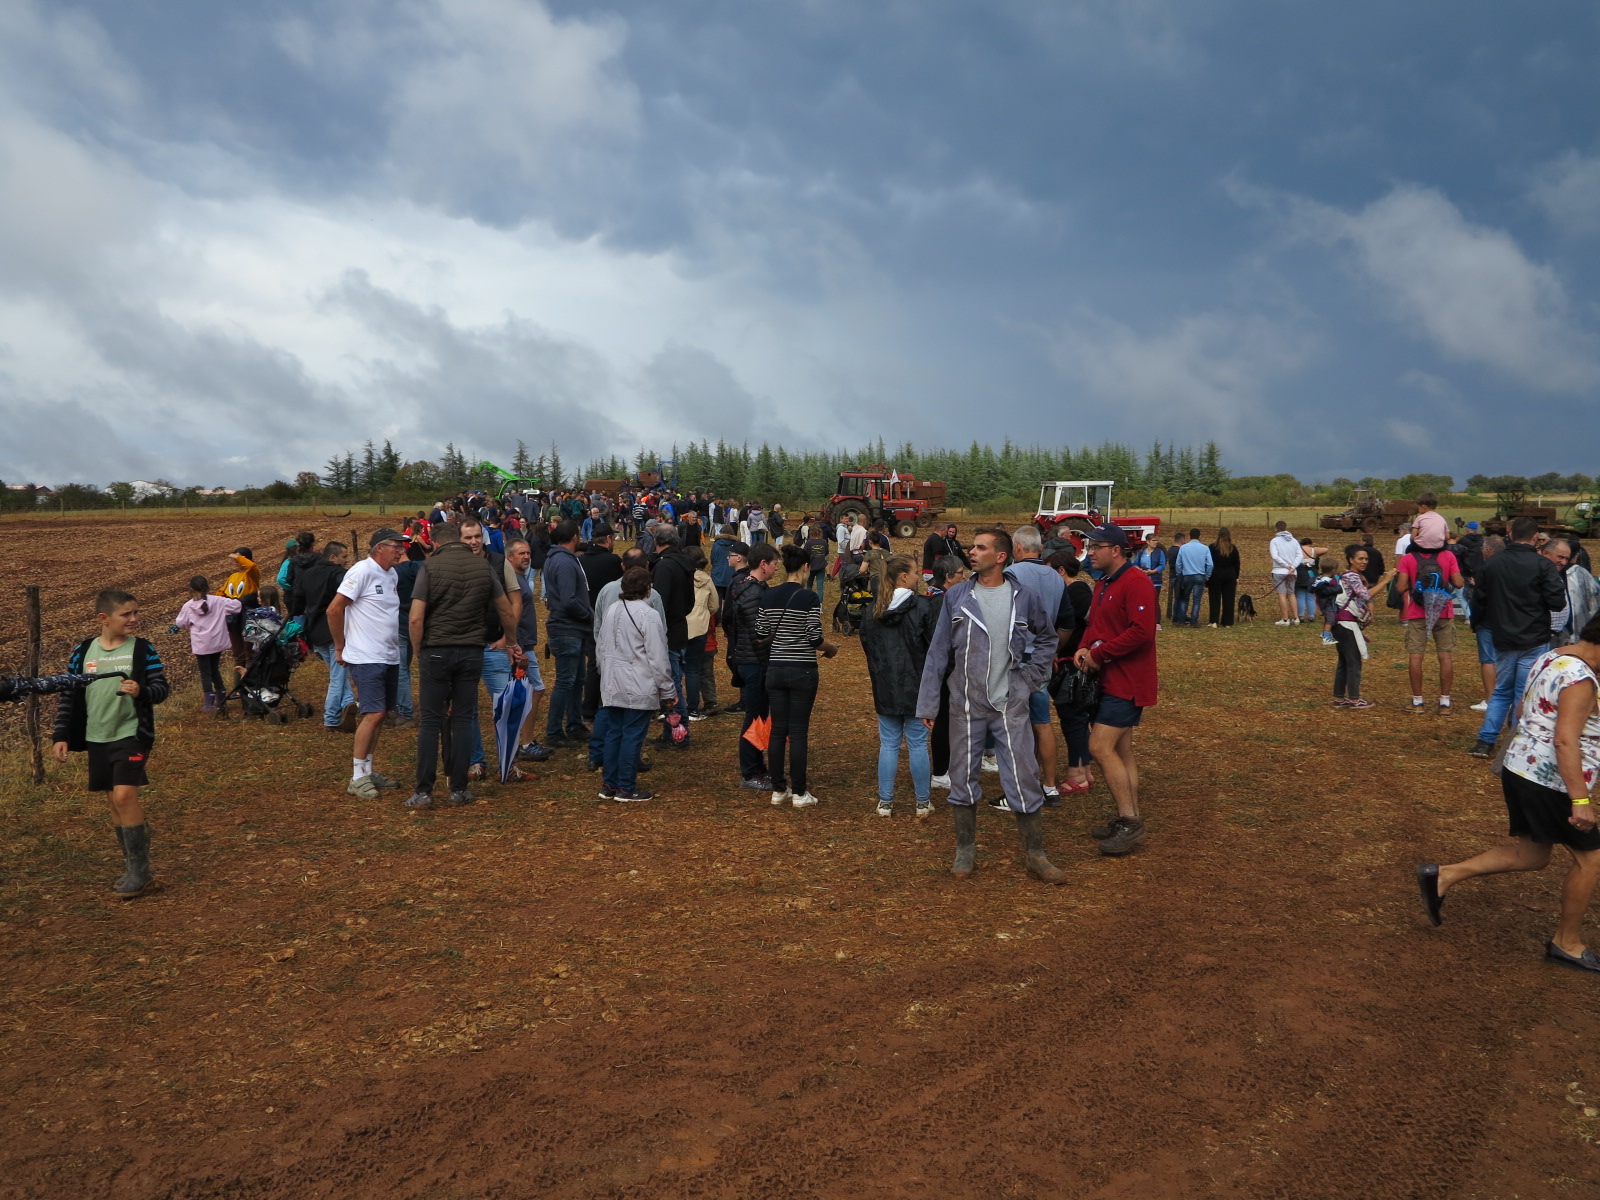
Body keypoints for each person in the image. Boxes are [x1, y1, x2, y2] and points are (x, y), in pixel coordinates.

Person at [1416, 614, 1600, 973]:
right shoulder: (1581, 680)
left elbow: (1523, 708)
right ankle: (1568, 943)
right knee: (1591, 859)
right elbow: (1564, 740)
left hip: (1521, 767)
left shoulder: (1554, 656)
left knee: (1532, 855)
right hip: (1551, 781)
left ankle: (1444, 875)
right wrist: (1580, 800)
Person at [915, 525, 1067, 884]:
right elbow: (938, 651)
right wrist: (928, 704)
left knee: (1023, 775)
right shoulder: (957, 598)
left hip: (1010, 705)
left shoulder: (1024, 597)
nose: (972, 552)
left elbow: (1046, 639)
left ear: (1001, 557)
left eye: (981, 548)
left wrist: (1029, 680)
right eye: (972, 547)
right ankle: (965, 851)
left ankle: (1036, 854)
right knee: (962, 777)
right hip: (966, 704)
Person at [52, 589, 171, 898]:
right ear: (103, 618)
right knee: (113, 802)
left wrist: (141, 691)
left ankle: (140, 872)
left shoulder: (143, 650)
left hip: (132, 733)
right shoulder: (82, 652)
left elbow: (161, 688)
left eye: (136, 613)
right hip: (96, 736)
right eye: (126, 614)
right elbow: (69, 695)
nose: (134, 619)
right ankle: (133, 865)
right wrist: (61, 734)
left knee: (123, 797)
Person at [406, 522, 522, 808]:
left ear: (434, 543)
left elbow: (416, 618)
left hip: (436, 650)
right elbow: (506, 609)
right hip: (471, 650)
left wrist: (419, 649)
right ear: (460, 540)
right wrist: (511, 641)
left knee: (431, 721)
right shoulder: (484, 567)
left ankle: (424, 791)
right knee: (462, 718)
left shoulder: (429, 568)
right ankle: (459, 789)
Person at [1074, 523, 1159, 856]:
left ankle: (1130, 822)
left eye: (1096, 547)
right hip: (1108, 679)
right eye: (1089, 547)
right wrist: (1084, 647)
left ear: (1116, 550)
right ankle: (1130, 817)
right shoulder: (1103, 584)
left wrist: (1099, 654)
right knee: (1122, 751)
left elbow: (1142, 632)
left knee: (1099, 746)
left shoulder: (1136, 582)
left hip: (1128, 681)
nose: (1090, 552)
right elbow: (1094, 624)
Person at [1470, 516, 1569, 758]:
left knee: (1502, 690)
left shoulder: (1492, 564)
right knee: (1524, 693)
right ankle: (1515, 742)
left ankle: (1486, 740)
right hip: (1534, 637)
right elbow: (1557, 602)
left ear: (1510, 533)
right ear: (1535, 537)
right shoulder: (1543, 565)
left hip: (1503, 636)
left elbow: (1479, 601)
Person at [326, 529, 409, 799]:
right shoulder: (361, 571)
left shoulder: (392, 574)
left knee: (381, 714)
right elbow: (334, 609)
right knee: (372, 714)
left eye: (401, 546)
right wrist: (341, 646)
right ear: (379, 548)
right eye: (396, 546)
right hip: (366, 656)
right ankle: (357, 776)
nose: (400, 550)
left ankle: (368, 770)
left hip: (388, 655)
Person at [756, 543, 840, 807]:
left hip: (775, 668)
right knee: (799, 731)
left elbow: (760, 634)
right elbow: (814, 637)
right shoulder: (809, 598)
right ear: (805, 568)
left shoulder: (768, 595)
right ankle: (801, 792)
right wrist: (831, 649)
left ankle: (779, 789)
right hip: (802, 669)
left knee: (778, 730)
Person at [861, 554, 936, 818]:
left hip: (886, 685)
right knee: (917, 744)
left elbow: (868, 648)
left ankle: (885, 802)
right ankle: (922, 802)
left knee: (889, 744)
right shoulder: (922, 608)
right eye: (916, 572)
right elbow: (932, 650)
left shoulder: (873, 610)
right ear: (904, 576)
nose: (919, 577)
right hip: (916, 686)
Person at [594, 567, 676, 802]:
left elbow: (601, 644)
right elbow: (658, 656)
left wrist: (605, 672)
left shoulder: (612, 609)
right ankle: (626, 788)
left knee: (614, 733)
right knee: (631, 735)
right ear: (648, 589)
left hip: (612, 682)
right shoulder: (648, 614)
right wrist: (668, 689)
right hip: (638, 684)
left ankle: (610, 783)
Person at [1008, 525, 1069, 802]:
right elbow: (1067, 621)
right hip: (1042, 661)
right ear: (1040, 548)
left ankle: (1021, 787)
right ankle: (1050, 785)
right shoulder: (1056, 578)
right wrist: (1053, 649)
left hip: (1017, 661)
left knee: (1016, 725)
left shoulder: (1011, 575)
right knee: (1042, 722)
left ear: (1017, 548)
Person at [726, 542, 779, 790]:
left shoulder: (743, 585)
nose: (777, 568)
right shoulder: (753, 592)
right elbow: (761, 630)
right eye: (774, 564)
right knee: (755, 718)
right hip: (754, 661)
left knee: (758, 716)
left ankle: (757, 767)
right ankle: (751, 772)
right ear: (763, 564)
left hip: (750, 658)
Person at [1395, 536, 1466, 714]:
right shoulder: (1448, 556)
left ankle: (1418, 701)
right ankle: (1445, 702)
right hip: (1443, 610)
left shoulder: (1409, 558)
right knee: (1445, 656)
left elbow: (1400, 587)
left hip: (1417, 612)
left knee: (1416, 657)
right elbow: (1458, 583)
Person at [543, 520, 594, 749]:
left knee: (577, 680)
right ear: (574, 537)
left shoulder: (560, 559)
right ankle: (554, 732)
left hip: (574, 629)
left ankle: (574, 724)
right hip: (567, 629)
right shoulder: (563, 562)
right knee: (565, 681)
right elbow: (569, 599)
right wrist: (589, 615)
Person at [295, 541, 357, 732]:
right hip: (334, 630)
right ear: (333, 557)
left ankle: (348, 703)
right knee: (337, 677)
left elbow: (297, 602)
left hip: (314, 631)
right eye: (344, 556)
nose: (346, 560)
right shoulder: (338, 574)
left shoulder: (306, 574)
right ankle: (330, 719)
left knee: (336, 672)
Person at [1048, 550, 1095, 792]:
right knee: (1076, 718)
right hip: (1072, 662)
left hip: (1071, 664)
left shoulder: (1075, 592)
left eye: (1049, 571)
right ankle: (1085, 770)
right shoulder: (1082, 589)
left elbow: (1062, 624)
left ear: (1061, 571)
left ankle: (1077, 776)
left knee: (1073, 719)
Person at [503, 536, 550, 762]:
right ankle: (526, 742)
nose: (527, 557)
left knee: (529, 692)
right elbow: (510, 617)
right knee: (535, 690)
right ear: (509, 557)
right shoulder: (511, 583)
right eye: (521, 553)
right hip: (521, 646)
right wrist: (516, 645)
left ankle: (524, 741)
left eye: (528, 553)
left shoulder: (520, 579)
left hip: (526, 644)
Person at [925, 553, 968, 791]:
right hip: (945, 670)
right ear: (949, 577)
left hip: (939, 668)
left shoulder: (930, 596)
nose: (965, 577)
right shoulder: (943, 602)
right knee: (943, 721)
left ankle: (945, 768)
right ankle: (941, 771)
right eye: (961, 574)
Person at [173, 576, 240, 713]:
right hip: (217, 642)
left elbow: (181, 623)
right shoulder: (219, 601)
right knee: (215, 669)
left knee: (205, 672)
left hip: (201, 645)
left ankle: (209, 703)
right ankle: (221, 698)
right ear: (208, 588)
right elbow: (237, 606)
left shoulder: (188, 606)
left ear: (190, 590)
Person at [1331, 547, 1377, 709]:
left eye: (1366, 559)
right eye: (1360, 558)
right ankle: (1354, 699)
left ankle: (1338, 697)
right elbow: (1365, 595)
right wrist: (1385, 582)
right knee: (1353, 662)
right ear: (1351, 560)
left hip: (1339, 624)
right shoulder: (1352, 576)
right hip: (1346, 624)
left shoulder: (1348, 576)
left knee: (1344, 661)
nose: (1364, 561)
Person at [683, 545, 719, 720]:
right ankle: (693, 707)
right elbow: (715, 605)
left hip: (681, 625)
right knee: (694, 669)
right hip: (700, 627)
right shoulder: (706, 579)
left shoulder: (680, 576)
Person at [222, 547, 261, 670]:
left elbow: (252, 566)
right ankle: (239, 685)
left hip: (248, 616)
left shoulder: (251, 575)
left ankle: (251, 682)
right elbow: (221, 593)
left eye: (238, 559)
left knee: (250, 651)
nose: (236, 562)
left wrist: (238, 557)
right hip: (233, 618)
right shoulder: (232, 577)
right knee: (238, 653)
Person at [1174, 527, 1212, 628]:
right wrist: (1207, 575)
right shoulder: (1205, 548)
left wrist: (1179, 573)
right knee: (1197, 600)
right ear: (1199, 537)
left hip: (1187, 576)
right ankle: (1194, 621)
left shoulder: (1183, 548)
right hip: (1200, 576)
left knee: (1184, 599)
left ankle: (1181, 620)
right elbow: (1210, 564)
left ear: (1190, 536)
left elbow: (1178, 563)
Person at [1206, 528, 1240, 628]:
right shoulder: (1233, 548)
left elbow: (1208, 562)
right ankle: (1228, 622)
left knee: (1214, 598)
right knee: (1229, 599)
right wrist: (1236, 576)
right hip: (1230, 575)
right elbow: (1237, 564)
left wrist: (1207, 575)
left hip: (1215, 574)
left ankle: (1214, 621)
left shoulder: (1212, 547)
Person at [1269, 522, 1302, 625]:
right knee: (1291, 593)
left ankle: (1285, 619)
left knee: (1282, 594)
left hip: (1279, 570)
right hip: (1292, 572)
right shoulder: (1294, 541)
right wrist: (1292, 567)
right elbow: (1299, 556)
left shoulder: (1274, 541)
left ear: (1276, 529)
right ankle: (1296, 618)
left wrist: (1285, 565)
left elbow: (1275, 556)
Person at [1133, 537, 1166, 629]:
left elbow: (1162, 565)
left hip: (1155, 580)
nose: (1156, 542)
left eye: (1156, 540)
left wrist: (1153, 571)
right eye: (1153, 540)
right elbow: (1135, 563)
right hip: (1143, 580)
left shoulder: (1160, 553)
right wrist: (1139, 569)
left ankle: (1157, 622)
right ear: (1148, 542)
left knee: (1155, 600)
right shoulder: (1141, 552)